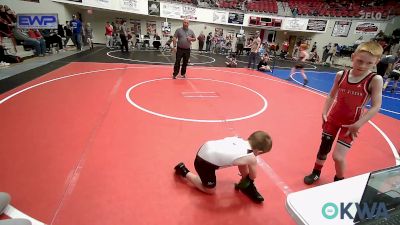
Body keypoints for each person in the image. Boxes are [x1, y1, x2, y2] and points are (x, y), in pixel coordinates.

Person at [303, 41, 384, 185]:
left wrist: (358, 124)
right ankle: (316, 171)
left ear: (376, 62)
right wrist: (324, 112)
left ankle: (339, 179)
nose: (363, 66)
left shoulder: (374, 79)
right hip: (333, 118)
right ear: (353, 57)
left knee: (338, 157)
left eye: (369, 63)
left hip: (351, 124)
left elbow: (376, 106)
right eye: (359, 61)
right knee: (324, 148)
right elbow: (331, 95)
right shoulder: (341, 74)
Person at [174, 131, 273, 203]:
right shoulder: (251, 158)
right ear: (259, 152)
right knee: (210, 190)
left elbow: (241, 161)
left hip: (204, 149)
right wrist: (248, 180)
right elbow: (253, 175)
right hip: (204, 163)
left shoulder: (237, 139)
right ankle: (184, 171)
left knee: (243, 161)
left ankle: (246, 185)